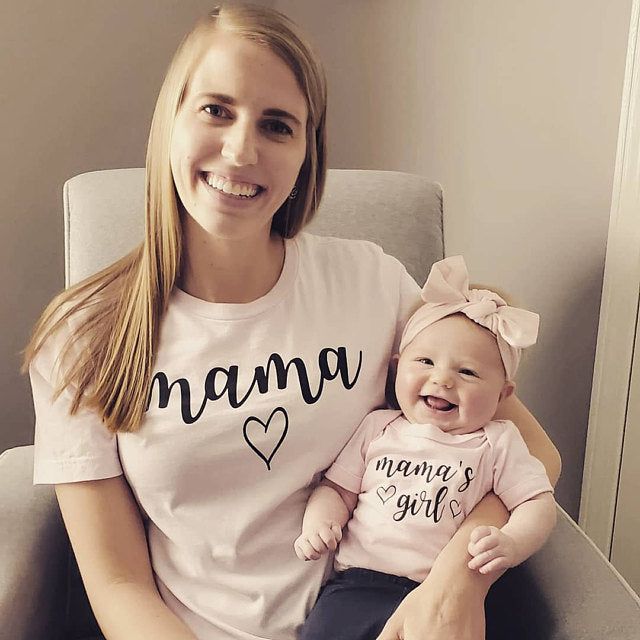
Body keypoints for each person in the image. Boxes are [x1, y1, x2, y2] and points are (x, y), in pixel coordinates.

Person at [24, 4, 560, 640]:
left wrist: (456, 580)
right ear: (171, 116)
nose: (241, 149)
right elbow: (117, 585)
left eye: (277, 126)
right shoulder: (84, 336)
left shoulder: (373, 285)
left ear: (308, 151)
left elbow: (535, 456)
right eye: (216, 109)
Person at [294, 255, 557, 639]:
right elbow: (337, 490)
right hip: (358, 586)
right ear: (398, 367)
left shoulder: (498, 441)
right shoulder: (378, 428)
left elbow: (537, 501)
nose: (443, 379)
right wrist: (318, 524)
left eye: (467, 372)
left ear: (503, 394)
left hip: (445, 591)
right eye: (425, 361)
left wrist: (514, 540)